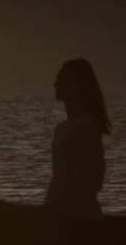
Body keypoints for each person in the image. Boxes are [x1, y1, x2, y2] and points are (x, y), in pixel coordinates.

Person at [45, 58, 112, 219]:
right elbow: (58, 177)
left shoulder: (86, 127)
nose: (55, 83)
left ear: (74, 85)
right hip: (58, 210)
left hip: (79, 215)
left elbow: (94, 179)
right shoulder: (62, 127)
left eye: (60, 79)